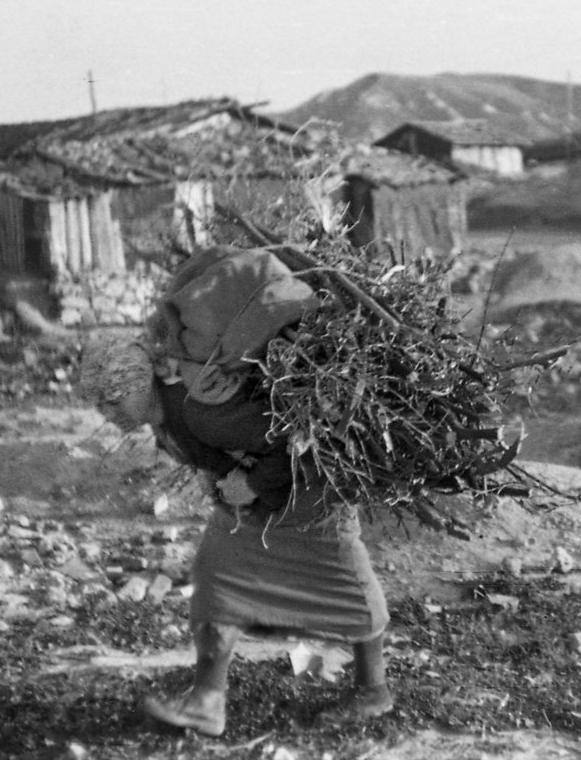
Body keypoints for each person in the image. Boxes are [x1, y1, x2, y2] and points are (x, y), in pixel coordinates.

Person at [82, 249, 394, 738]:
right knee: (218, 580)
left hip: (312, 493)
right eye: (98, 403)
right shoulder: (166, 421)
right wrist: (223, 477)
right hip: (263, 504)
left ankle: (373, 690)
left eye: (111, 397)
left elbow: (300, 444)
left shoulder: (202, 411)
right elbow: (222, 454)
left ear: (140, 384)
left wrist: (250, 482)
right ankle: (208, 700)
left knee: (345, 577)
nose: (106, 412)